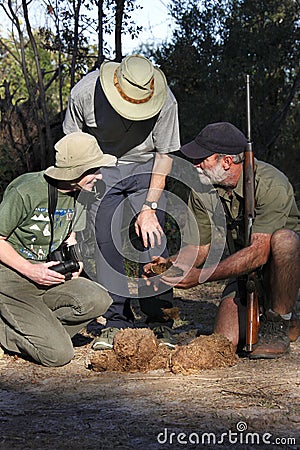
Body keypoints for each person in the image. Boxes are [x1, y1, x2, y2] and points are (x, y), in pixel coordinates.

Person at [146, 122, 300, 358]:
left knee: (285, 241)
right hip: (244, 269)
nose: (195, 165)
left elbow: (260, 252)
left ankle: (279, 322)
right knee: (222, 343)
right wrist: (170, 265)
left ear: (226, 162)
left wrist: (201, 277)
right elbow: (199, 247)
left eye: (202, 159)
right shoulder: (201, 187)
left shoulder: (271, 184)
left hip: (283, 270)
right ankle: (281, 318)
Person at [63, 54, 181, 349]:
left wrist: (150, 208)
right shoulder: (83, 94)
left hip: (147, 168)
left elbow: (165, 156)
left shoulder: (167, 101)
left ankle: (159, 319)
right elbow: (71, 150)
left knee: (154, 239)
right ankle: (115, 320)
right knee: (105, 240)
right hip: (100, 169)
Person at [0, 132, 116, 366]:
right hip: (13, 278)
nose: (100, 175)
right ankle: (7, 330)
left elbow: (70, 236)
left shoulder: (82, 195)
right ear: (76, 171)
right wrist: (31, 271)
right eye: (94, 170)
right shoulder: (27, 190)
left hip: (50, 276)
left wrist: (77, 263)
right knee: (58, 355)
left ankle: (37, 325)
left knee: (99, 299)